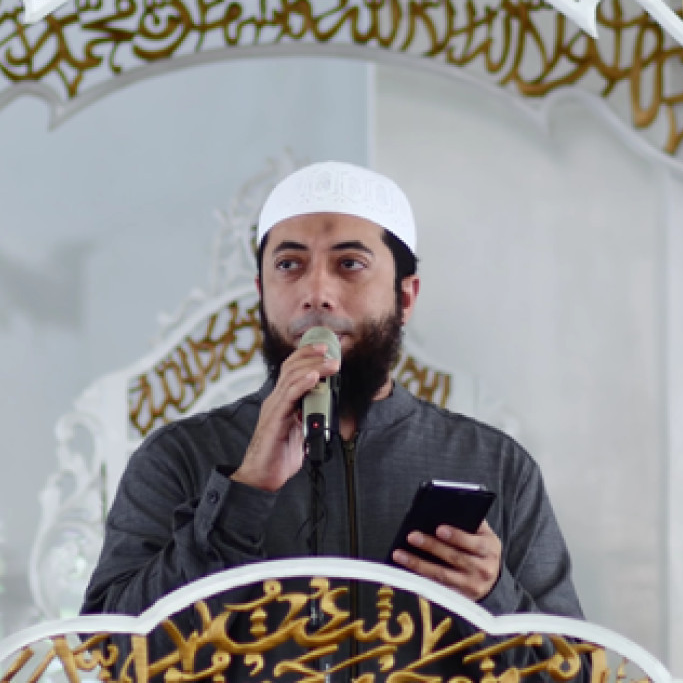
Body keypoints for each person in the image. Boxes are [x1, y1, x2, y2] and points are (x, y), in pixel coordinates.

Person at [81, 161, 583, 677]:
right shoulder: (178, 457)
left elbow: (575, 671)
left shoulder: (496, 465)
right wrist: (244, 493)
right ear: (261, 293)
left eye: (349, 264)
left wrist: (494, 595)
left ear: (405, 296)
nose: (316, 293)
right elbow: (110, 654)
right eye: (289, 265)